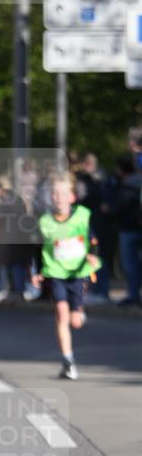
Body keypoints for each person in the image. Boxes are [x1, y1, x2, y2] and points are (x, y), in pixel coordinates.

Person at [32, 173, 101, 380]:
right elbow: (39, 249)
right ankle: (68, 361)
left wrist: (92, 256)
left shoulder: (82, 216)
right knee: (61, 315)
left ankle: (79, 311)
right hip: (55, 273)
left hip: (78, 272)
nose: (58, 197)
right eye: (55, 194)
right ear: (51, 198)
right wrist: (38, 272)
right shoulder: (45, 222)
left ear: (71, 197)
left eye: (63, 193)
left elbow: (93, 241)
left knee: (75, 322)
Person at [112, 152, 142, 307]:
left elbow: (117, 207)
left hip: (128, 229)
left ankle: (133, 295)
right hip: (135, 227)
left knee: (130, 265)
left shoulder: (126, 185)